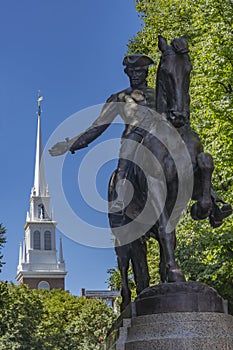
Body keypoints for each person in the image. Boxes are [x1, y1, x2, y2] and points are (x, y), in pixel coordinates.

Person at [49, 54, 155, 213]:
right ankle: (121, 198)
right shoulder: (119, 98)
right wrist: (69, 144)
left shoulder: (160, 94)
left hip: (159, 135)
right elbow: (98, 126)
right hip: (134, 136)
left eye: (138, 71)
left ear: (146, 73)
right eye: (130, 72)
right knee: (125, 157)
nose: (134, 75)